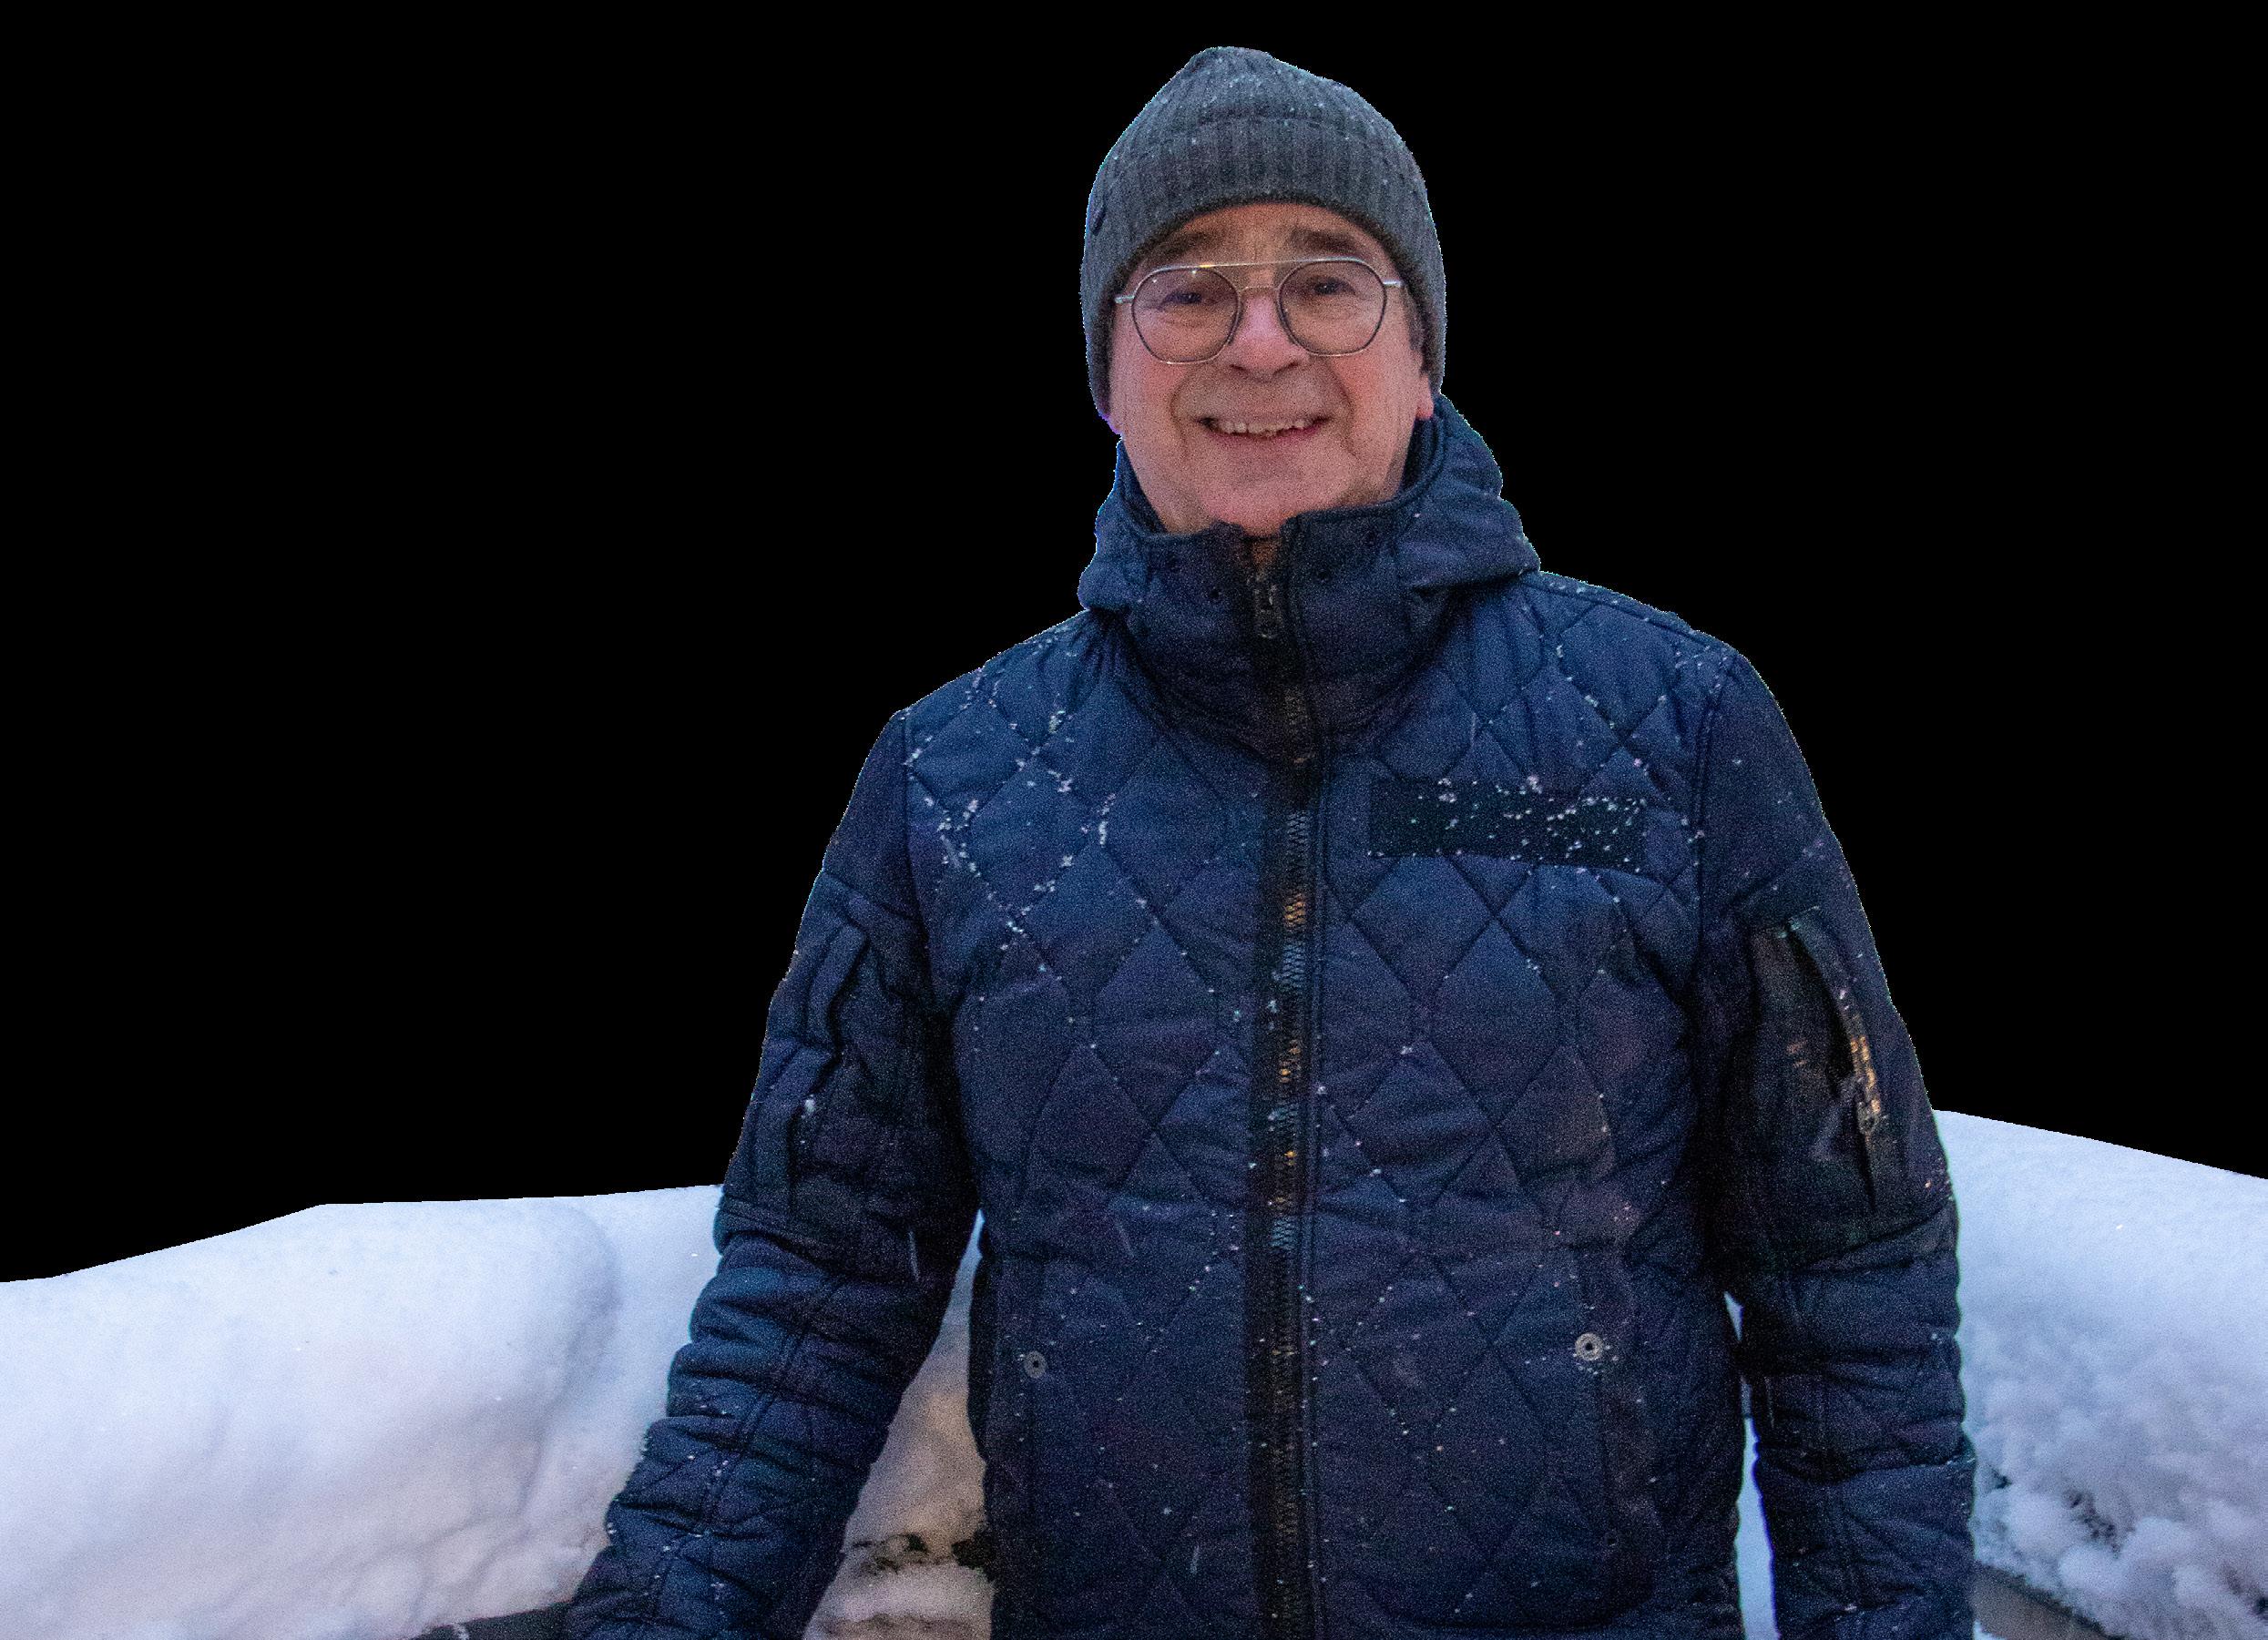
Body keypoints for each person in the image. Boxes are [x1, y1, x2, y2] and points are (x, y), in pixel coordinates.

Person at [562, 46, 1976, 1640]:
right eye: (1185, 287)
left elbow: (1849, 1266)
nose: (1259, 340)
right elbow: (815, 1285)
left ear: (1421, 356)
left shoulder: (1677, 721)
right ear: (1104, 372)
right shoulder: (950, 773)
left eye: (1326, 280)